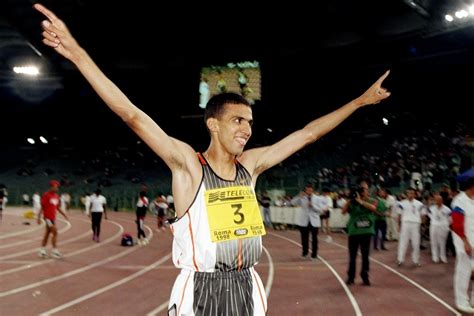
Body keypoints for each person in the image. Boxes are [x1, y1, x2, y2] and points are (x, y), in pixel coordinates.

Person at [33, 4, 390, 314]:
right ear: (213, 125)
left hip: (248, 289)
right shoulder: (188, 166)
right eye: (238, 121)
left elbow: (308, 133)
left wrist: (359, 102)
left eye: (250, 123)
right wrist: (77, 53)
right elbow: (132, 115)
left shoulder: (250, 167)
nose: (247, 129)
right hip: (201, 293)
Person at [342, 181, 379, 286]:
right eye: (362, 189)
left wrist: (360, 201)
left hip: (366, 232)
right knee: (352, 256)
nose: (364, 191)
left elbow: (373, 208)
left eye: (365, 189)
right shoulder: (352, 202)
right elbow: (343, 212)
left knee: (365, 256)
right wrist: (350, 201)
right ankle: (351, 277)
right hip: (354, 233)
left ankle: (365, 275)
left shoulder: (372, 200)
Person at [451, 177, 474, 313]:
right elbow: (457, 225)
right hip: (463, 242)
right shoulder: (459, 201)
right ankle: (461, 302)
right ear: (472, 187)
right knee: (464, 272)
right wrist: (465, 242)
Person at [37, 180, 69, 258]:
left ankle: (42, 250)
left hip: (53, 218)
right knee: (55, 232)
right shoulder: (46, 195)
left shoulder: (57, 196)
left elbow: (57, 207)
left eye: (57, 187)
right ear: (51, 187)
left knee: (47, 234)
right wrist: (38, 217)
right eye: (55, 187)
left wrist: (64, 214)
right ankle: (54, 251)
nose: (57, 188)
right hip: (47, 218)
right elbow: (42, 207)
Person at [396, 187, 427, 267]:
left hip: (415, 225)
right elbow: (399, 215)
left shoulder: (419, 204)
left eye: (412, 193)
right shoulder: (401, 203)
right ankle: (400, 259)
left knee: (416, 243)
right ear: (406, 194)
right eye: (409, 193)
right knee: (403, 242)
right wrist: (398, 225)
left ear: (415, 194)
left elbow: (423, 215)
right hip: (405, 224)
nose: (411, 195)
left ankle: (416, 260)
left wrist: (423, 224)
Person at [292, 184, 321, 261]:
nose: (309, 191)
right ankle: (305, 253)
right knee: (304, 238)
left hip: (314, 221)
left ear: (312, 190)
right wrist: (299, 196)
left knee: (314, 239)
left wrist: (313, 206)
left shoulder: (317, 198)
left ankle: (314, 255)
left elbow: (320, 209)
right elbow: (293, 203)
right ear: (305, 190)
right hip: (304, 221)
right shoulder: (302, 198)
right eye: (307, 190)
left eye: (310, 190)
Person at [427, 192, 451, 263]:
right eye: (436, 200)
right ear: (434, 200)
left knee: (442, 242)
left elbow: (450, 219)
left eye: (440, 200)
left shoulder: (447, 209)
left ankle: (443, 257)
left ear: (442, 201)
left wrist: (446, 225)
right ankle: (435, 257)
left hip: (443, 227)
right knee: (434, 242)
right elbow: (429, 215)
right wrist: (434, 221)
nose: (438, 201)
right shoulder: (431, 208)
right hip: (434, 226)